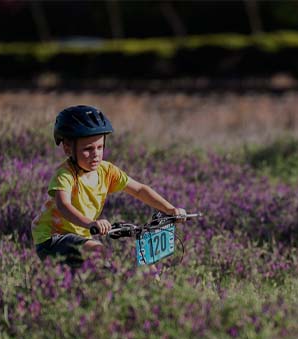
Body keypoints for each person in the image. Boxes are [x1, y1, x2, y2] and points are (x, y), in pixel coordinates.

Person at [32, 104, 186, 267]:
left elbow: (140, 190)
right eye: (88, 149)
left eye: (100, 147)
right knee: (101, 252)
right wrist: (90, 223)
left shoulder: (106, 171)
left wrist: (170, 210)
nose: (96, 154)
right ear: (68, 148)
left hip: (82, 236)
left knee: (120, 267)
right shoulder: (65, 174)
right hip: (53, 238)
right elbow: (64, 205)